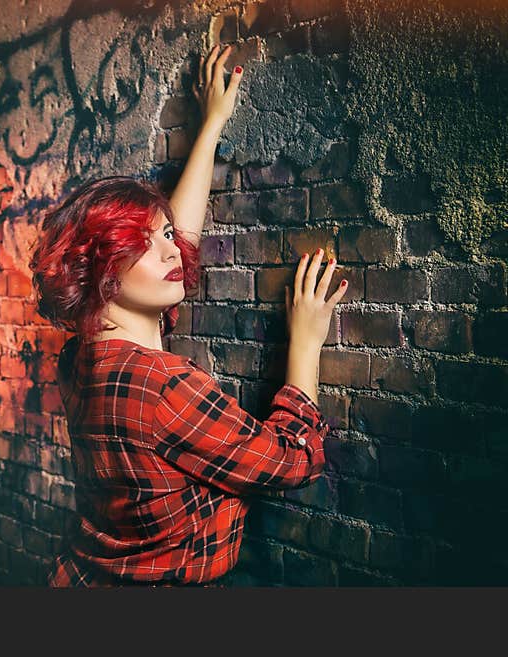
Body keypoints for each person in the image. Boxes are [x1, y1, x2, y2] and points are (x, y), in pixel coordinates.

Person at [29, 43, 350, 587]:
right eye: (145, 243)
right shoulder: (164, 388)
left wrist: (211, 126)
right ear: (102, 269)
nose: (173, 251)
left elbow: (179, 241)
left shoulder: (82, 355)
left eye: (166, 236)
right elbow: (293, 460)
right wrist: (305, 343)